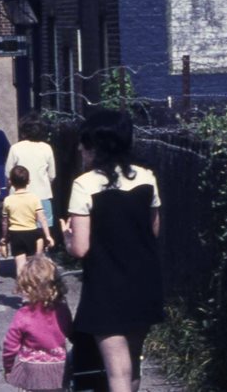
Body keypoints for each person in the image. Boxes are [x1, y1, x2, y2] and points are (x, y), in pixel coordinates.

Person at [61, 109, 163, 392]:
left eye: (85, 142)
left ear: (96, 145)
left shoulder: (84, 185)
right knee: (132, 365)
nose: (80, 148)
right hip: (144, 283)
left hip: (106, 287)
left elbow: (81, 248)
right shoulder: (146, 178)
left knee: (116, 372)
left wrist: (66, 238)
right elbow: (153, 230)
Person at [3, 255, 72, 392]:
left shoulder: (23, 314)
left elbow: (10, 346)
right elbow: (71, 333)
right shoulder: (62, 309)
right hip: (58, 368)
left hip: (31, 370)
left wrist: (8, 367)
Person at [6, 113, 57, 230]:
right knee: (42, 230)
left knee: (19, 228)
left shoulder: (15, 148)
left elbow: (8, 174)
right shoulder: (46, 148)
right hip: (42, 195)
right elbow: (52, 175)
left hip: (18, 197)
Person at [2, 165, 55, 276]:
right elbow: (42, 219)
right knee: (33, 263)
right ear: (29, 181)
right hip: (31, 232)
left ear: (10, 181)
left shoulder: (8, 200)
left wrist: (4, 236)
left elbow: (5, 222)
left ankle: (22, 289)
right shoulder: (34, 198)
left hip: (15, 234)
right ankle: (34, 287)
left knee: (20, 264)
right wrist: (48, 235)